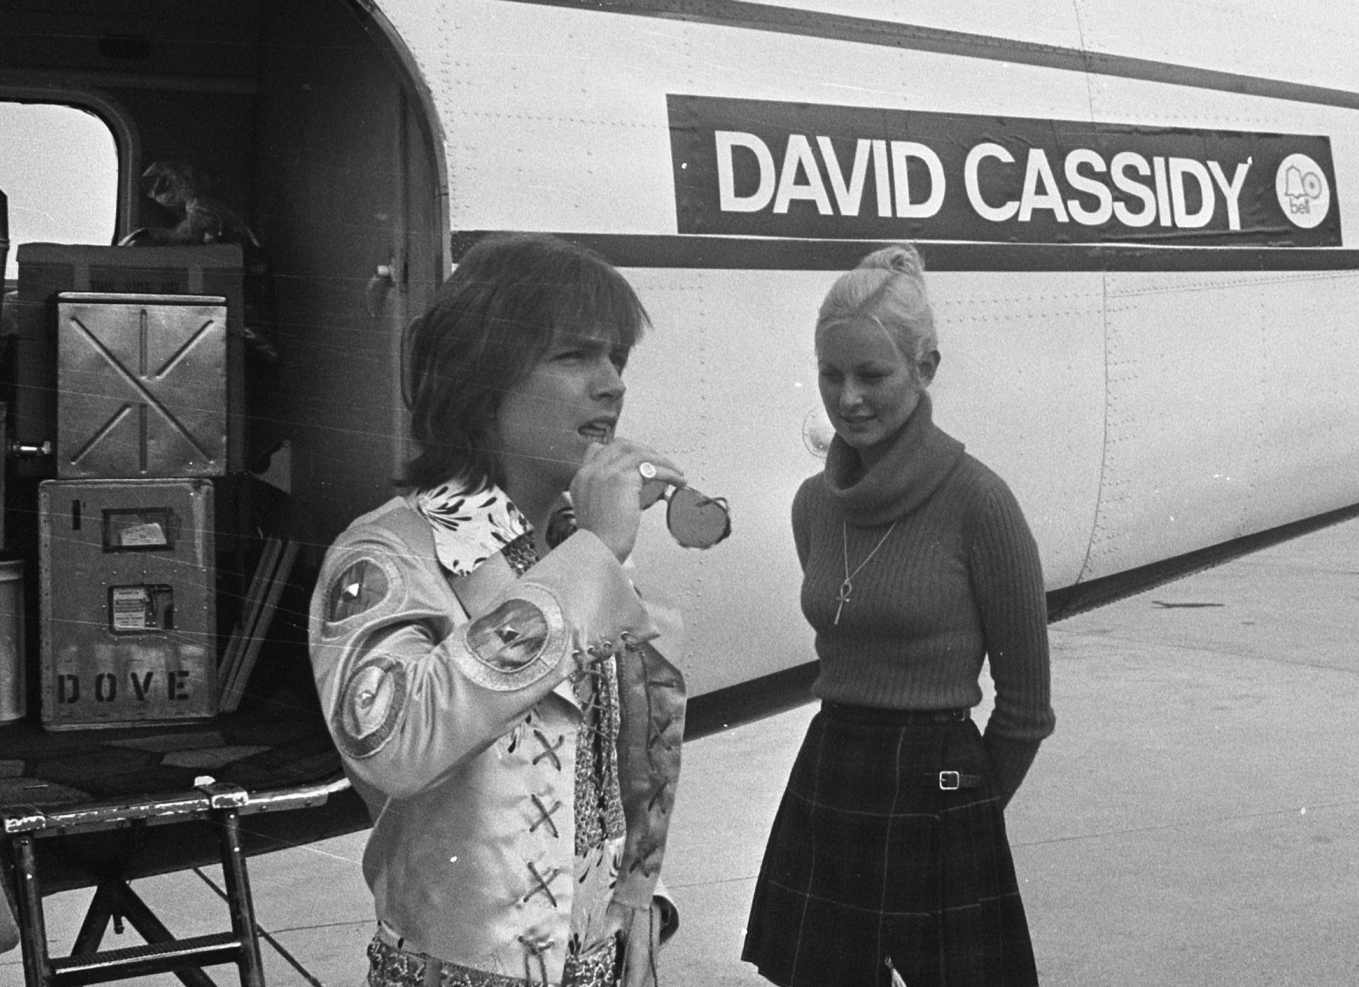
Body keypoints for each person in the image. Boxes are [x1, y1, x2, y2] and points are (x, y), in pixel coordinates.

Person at [309, 233, 687, 987]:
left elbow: (608, 763)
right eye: (576, 356)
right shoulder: (389, 551)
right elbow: (393, 741)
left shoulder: (577, 546)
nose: (611, 384)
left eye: (616, 358)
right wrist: (591, 558)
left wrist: (640, 902)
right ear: (483, 379)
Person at [742, 244, 1055, 987]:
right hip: (834, 765)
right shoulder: (813, 507)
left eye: (872, 374)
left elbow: (1024, 712)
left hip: (940, 776)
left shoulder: (980, 502)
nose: (847, 397)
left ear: (925, 368)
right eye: (830, 373)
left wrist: (962, 808)